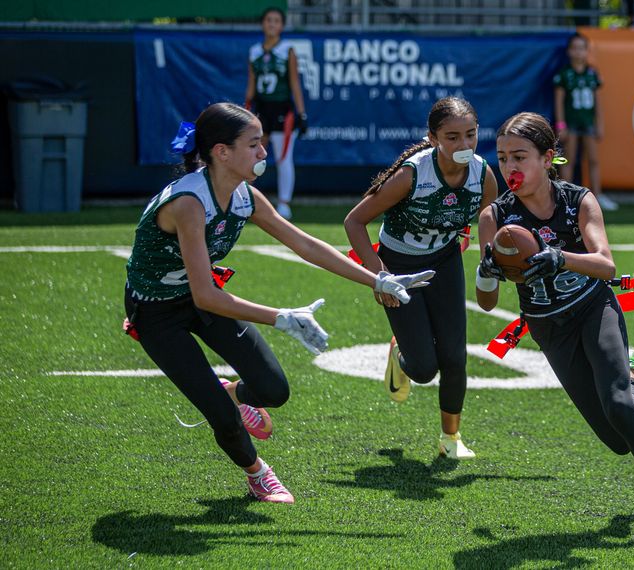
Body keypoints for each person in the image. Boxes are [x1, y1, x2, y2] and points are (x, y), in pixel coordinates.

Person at [125, 102, 433, 504]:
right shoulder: (189, 203)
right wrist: (281, 318)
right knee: (222, 418)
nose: (264, 153)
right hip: (157, 311)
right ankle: (258, 474)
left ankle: (230, 392)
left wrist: (378, 278)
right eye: (254, 144)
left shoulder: (244, 196)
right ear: (222, 152)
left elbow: (304, 244)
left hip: (200, 297)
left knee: (273, 390)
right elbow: (205, 294)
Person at [475, 112, 634, 544]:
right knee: (616, 441)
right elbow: (486, 304)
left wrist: (561, 257)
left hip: (595, 308)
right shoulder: (495, 217)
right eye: (502, 159)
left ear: (548, 157)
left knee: (620, 408)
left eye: (520, 156)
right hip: (548, 328)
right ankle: (632, 377)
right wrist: (488, 272)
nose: (510, 168)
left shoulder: (578, 200)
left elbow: (606, 264)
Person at [344, 96, 499, 459]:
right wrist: (378, 275)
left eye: (471, 135)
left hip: (445, 262)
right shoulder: (411, 174)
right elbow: (354, 221)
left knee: (455, 356)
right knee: (425, 369)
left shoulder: (482, 173)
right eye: (452, 137)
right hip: (398, 266)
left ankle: (451, 438)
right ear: (432, 138)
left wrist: (491, 253)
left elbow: (489, 217)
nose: (464, 145)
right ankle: (401, 355)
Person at [244, 6, 307, 220]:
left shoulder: (287, 49)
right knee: (251, 155)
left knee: (283, 157)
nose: (271, 24)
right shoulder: (254, 51)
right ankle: (241, 197)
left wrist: (301, 113)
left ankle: (284, 203)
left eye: (276, 20)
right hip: (261, 110)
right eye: (268, 20)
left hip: (282, 110)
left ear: (281, 25)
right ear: (263, 24)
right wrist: (246, 109)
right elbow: (251, 85)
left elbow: (294, 83)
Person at [553, 33, 618, 212]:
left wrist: (600, 124)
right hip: (571, 123)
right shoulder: (564, 74)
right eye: (574, 48)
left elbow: (597, 102)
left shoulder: (592, 74)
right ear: (568, 51)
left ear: (587, 51)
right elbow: (558, 101)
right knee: (569, 160)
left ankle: (598, 195)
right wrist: (561, 125)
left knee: (593, 159)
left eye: (582, 48)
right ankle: (564, 197)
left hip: (588, 122)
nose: (578, 52)